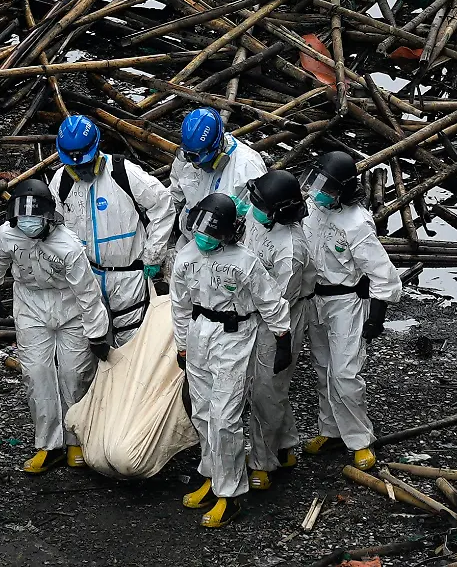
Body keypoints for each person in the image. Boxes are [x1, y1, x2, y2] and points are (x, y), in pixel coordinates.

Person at [171, 193, 292, 528]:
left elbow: (270, 301)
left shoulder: (245, 261)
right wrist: (182, 346)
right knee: (203, 413)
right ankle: (211, 476)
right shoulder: (186, 255)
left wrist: (283, 338)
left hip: (234, 335)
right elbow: (180, 306)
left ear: (228, 232)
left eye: (212, 229)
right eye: (201, 226)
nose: (203, 234)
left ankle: (231, 494)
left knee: (225, 417)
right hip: (199, 332)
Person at [0, 179, 111, 473]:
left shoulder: (68, 246)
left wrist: (97, 334)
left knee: (74, 374)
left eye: (33, 218)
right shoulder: (7, 235)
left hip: (70, 309)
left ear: (49, 216)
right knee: (36, 374)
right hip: (30, 306)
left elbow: (88, 294)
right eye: (22, 218)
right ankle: (49, 444)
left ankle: (78, 438)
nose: (27, 224)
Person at [301, 151, 402, 471]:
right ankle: (330, 430)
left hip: (346, 301)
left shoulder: (357, 222)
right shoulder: (314, 209)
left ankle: (360, 439)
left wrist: (377, 314)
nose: (318, 192)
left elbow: (382, 272)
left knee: (345, 374)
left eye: (326, 188)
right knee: (322, 367)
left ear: (343, 190)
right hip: (316, 298)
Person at [49, 114, 176, 346]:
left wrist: (153, 254)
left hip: (128, 276)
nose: (81, 170)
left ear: (97, 149)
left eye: (85, 163)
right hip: (86, 277)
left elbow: (162, 204)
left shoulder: (122, 172)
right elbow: (54, 230)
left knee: (131, 344)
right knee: (90, 344)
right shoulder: (61, 182)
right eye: (74, 166)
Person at [241, 169, 311, 491]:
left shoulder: (292, 249)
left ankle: (261, 462)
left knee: (266, 391)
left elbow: (280, 300)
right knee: (265, 385)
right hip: (255, 309)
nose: (254, 210)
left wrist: (282, 342)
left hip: (280, 316)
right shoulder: (262, 216)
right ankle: (285, 446)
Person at [169, 107, 266, 248]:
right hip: (187, 244)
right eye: (193, 158)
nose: (198, 164)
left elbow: (258, 225)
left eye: (203, 159)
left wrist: (246, 213)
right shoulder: (187, 157)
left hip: (225, 251)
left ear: (218, 145)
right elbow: (173, 198)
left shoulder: (247, 167)